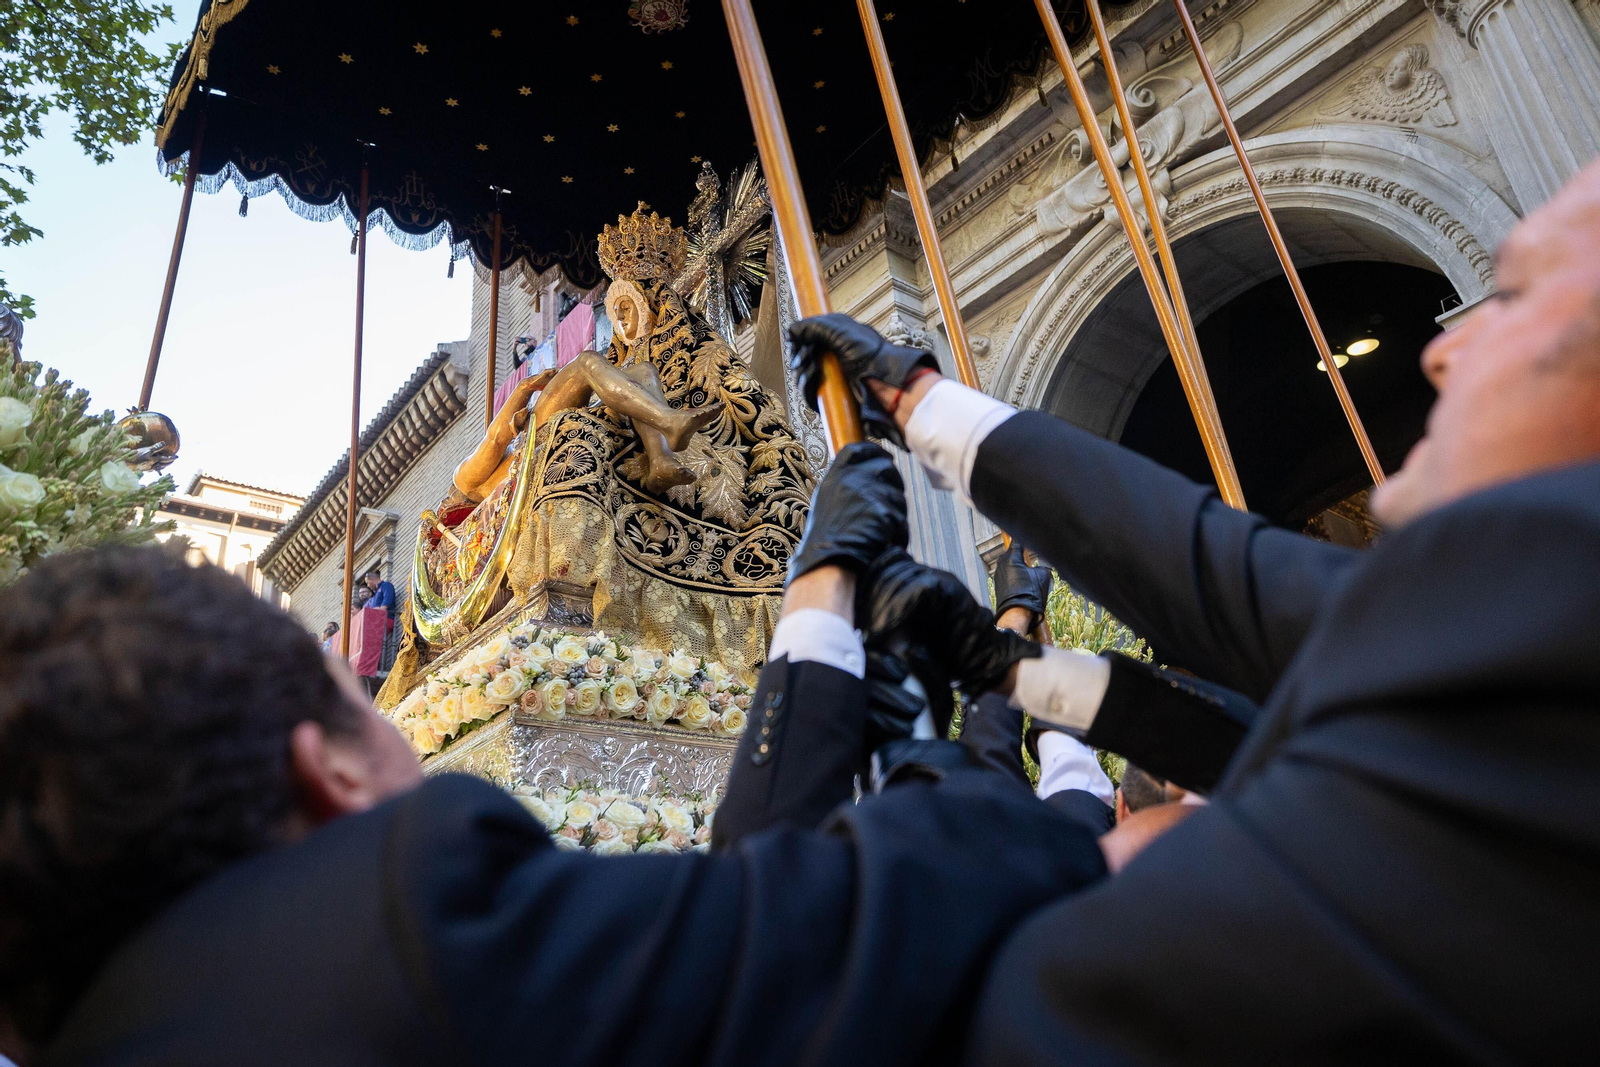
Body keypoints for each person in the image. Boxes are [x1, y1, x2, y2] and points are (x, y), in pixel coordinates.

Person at [787, 159, 1600, 1061]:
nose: (1447, 347)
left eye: (1519, 293)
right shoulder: (1516, 626)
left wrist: (838, 638)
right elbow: (1238, 612)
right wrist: (1005, 659)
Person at [0, 444, 1108, 1067]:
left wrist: (817, 623)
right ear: (327, 769)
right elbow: (903, 901)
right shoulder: (403, 927)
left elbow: (726, 963)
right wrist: (944, 731)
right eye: (367, 697)